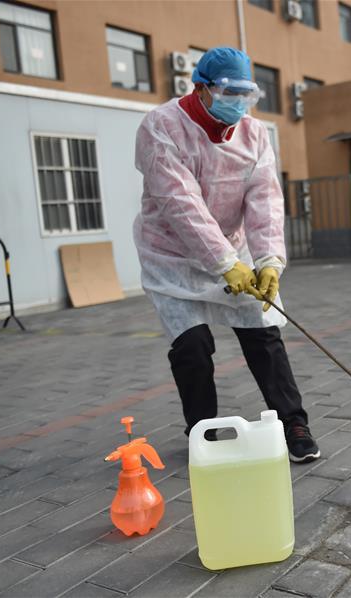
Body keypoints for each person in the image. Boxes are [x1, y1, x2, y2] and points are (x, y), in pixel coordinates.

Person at [132, 46, 320, 463]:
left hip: (231, 251)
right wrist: (223, 263)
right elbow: (178, 202)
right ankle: (203, 431)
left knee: (264, 332)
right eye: (228, 93)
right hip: (172, 257)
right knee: (192, 346)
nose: (237, 103)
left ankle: (294, 423)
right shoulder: (162, 126)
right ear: (200, 88)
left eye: (245, 95)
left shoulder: (254, 135)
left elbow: (265, 199)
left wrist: (268, 259)